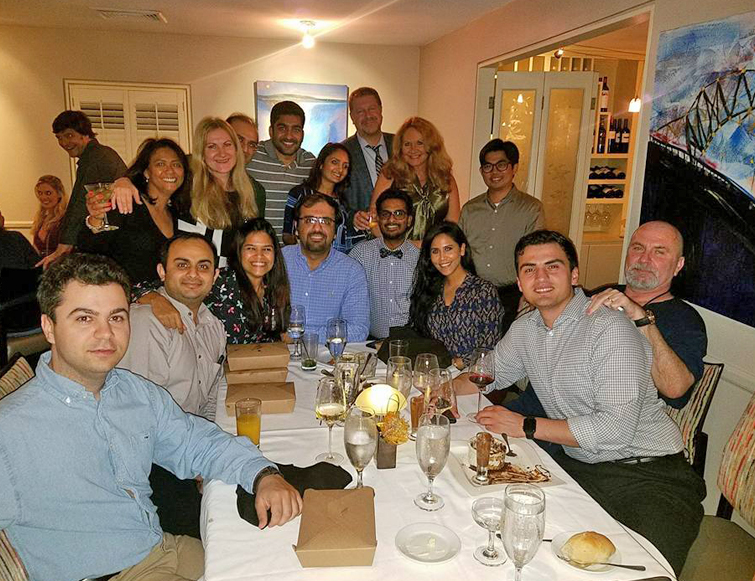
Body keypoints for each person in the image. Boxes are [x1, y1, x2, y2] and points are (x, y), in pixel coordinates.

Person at [0, 253, 301, 581]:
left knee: (281, 562)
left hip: (161, 550)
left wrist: (263, 474)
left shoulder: (133, 392)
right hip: (102, 574)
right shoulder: (11, 430)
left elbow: (196, 441)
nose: (106, 334)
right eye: (85, 319)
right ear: (49, 327)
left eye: (116, 317)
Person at [457, 230, 705, 575]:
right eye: (529, 269)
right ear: (518, 280)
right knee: (512, 540)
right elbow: (488, 373)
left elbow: (614, 430)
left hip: (648, 477)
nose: (540, 278)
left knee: (637, 572)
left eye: (552, 266)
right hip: (581, 468)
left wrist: (525, 425)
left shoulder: (610, 326)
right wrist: (436, 389)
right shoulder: (528, 328)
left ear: (574, 275)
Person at [509, 221, 708, 422]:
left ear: (679, 265)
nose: (644, 259)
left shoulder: (684, 319)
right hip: (532, 409)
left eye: (659, 252)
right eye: (638, 248)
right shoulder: (596, 296)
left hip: (584, 429)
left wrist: (640, 318)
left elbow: (675, 389)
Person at [119, 233, 226, 539]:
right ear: (162, 272)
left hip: (188, 449)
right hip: (151, 466)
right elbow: (139, 421)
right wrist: (195, 462)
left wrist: (206, 451)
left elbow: (209, 399)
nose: (194, 274)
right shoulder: (146, 323)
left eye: (203, 266)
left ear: (215, 276)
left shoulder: (213, 326)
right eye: (183, 265)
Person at [110, 117, 258, 268]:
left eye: (227, 144)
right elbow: (151, 178)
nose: (221, 153)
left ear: (236, 149)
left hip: (231, 281)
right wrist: (124, 181)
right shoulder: (186, 182)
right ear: (201, 152)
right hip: (189, 280)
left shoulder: (249, 190)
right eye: (212, 146)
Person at [458, 139, 543, 330]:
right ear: (481, 171)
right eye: (488, 166)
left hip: (512, 295)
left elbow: (536, 256)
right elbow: (460, 253)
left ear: (514, 168)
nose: (494, 172)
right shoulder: (470, 209)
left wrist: (529, 294)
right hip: (473, 294)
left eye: (501, 165)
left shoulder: (531, 208)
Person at [78, 137, 188, 285]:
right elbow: (90, 251)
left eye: (176, 164)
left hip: (164, 297)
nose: (170, 170)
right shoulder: (126, 201)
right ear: (146, 172)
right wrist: (96, 219)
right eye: (160, 164)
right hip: (127, 298)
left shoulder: (178, 213)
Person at [409, 221, 504, 367]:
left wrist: (460, 362)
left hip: (475, 373)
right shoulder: (431, 290)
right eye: (435, 251)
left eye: (448, 249)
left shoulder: (483, 291)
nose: (442, 258)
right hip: (438, 371)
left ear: (462, 249)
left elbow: (491, 345)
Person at [41, 110, 127, 268]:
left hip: (112, 242)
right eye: (59, 137)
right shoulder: (98, 154)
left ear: (85, 134)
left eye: (69, 135)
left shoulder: (95, 158)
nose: (64, 143)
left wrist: (63, 247)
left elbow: (80, 203)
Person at [354, 116, 460, 242]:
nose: (413, 150)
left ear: (432, 146)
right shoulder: (389, 174)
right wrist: (400, 247)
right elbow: (373, 221)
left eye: (420, 143)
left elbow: (452, 226)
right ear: (400, 148)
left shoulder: (446, 178)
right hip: (394, 254)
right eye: (407, 144)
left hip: (433, 254)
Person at [283, 194, 369, 343]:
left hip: (330, 358)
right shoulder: (278, 261)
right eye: (309, 220)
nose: (317, 228)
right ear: (296, 227)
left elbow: (359, 330)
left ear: (335, 231)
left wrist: (299, 335)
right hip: (278, 354)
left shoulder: (352, 271)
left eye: (325, 221)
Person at [350, 189, 420, 339]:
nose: (391, 220)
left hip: (411, 342)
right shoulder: (360, 254)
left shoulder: (420, 258)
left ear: (409, 220)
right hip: (369, 343)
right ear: (378, 219)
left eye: (399, 214)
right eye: (385, 214)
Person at [246, 101, 316, 235]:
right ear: (271, 131)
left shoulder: (311, 164)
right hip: (257, 249)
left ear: (302, 133)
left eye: (296, 129)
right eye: (282, 128)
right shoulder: (252, 156)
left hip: (295, 252)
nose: (289, 136)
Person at [282, 142, 361, 253]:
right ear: (321, 164)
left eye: (345, 166)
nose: (340, 169)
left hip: (338, 262)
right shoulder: (299, 193)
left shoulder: (343, 201)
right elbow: (287, 235)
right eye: (335, 162)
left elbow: (346, 237)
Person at [342, 87, 394, 217]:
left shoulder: (402, 146)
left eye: (372, 109)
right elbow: (334, 197)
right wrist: (352, 217)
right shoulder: (342, 152)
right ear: (352, 117)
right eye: (360, 111)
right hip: (360, 235)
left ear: (380, 110)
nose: (368, 116)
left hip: (403, 234)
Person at [226, 112, 266, 217]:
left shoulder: (256, 191)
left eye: (252, 144)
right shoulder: (193, 181)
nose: (245, 149)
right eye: (240, 140)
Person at [31, 175, 68, 259]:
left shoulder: (66, 219)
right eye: (40, 193)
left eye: (48, 193)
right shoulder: (41, 219)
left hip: (59, 267)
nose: (43, 197)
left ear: (59, 194)